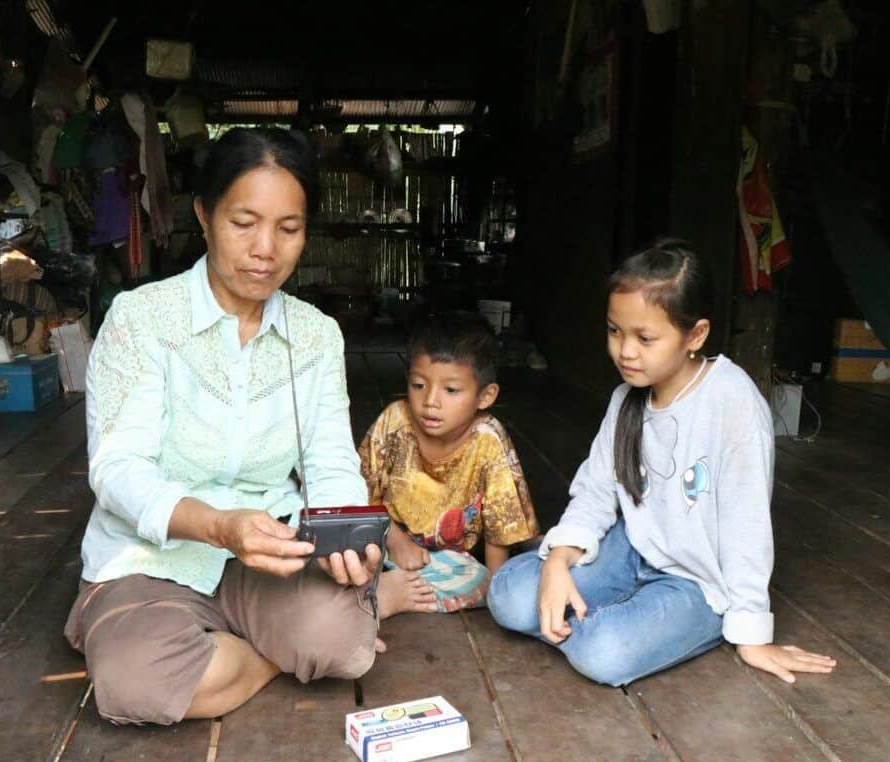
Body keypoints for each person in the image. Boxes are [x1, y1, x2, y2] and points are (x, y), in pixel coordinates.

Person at [64, 128, 384, 726]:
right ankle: (273, 652)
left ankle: (243, 650)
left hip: (271, 555)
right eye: (244, 223)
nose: (266, 248)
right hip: (151, 559)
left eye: (288, 228)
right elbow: (117, 470)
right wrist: (217, 526)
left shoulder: (316, 336)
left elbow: (331, 462)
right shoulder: (143, 319)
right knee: (136, 686)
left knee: (342, 646)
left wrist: (345, 538)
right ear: (204, 216)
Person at [487, 240, 836, 686]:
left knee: (604, 653)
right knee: (509, 597)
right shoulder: (626, 398)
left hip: (697, 581)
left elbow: (746, 525)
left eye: (644, 338)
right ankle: (610, 615)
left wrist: (750, 632)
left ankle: (637, 624)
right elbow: (596, 490)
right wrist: (559, 560)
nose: (625, 351)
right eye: (615, 331)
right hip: (630, 548)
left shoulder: (732, 401)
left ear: (696, 335)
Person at [359, 313, 539, 617]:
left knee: (480, 581)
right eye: (418, 385)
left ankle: (388, 593)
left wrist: (498, 591)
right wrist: (395, 538)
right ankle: (384, 589)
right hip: (383, 540)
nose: (430, 401)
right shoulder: (394, 421)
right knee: (345, 558)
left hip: (452, 561)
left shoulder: (487, 438)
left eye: (451, 390)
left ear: (485, 396)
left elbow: (498, 524)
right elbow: (359, 490)